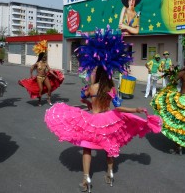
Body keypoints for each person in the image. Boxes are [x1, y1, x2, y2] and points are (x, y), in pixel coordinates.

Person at [44, 27, 162, 192]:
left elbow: (82, 96)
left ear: (98, 72)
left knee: (87, 148)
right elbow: (118, 107)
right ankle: (110, 173)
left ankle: (86, 179)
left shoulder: (92, 87)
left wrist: (88, 101)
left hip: (93, 120)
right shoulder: (111, 88)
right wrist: (136, 109)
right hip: (109, 119)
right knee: (109, 146)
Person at [151, 37, 185, 155]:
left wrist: (171, 74)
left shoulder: (183, 73)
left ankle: (178, 147)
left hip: (184, 99)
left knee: (180, 124)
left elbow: (172, 82)